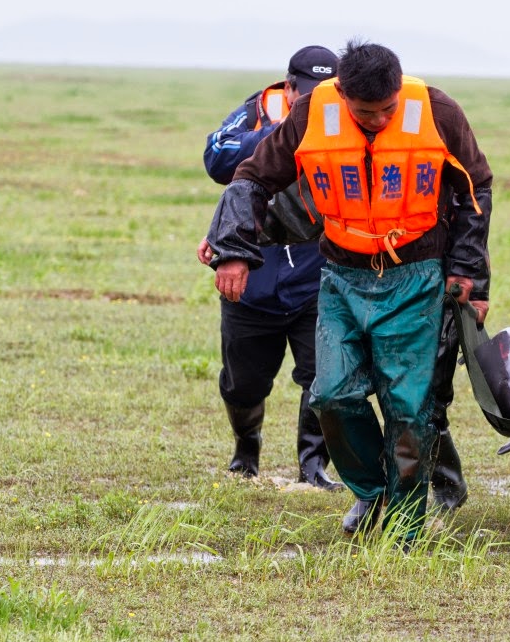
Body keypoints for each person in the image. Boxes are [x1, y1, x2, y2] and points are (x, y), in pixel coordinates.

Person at [204, 40, 493, 541]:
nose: (379, 119)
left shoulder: (438, 110)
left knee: (409, 408)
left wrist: (470, 272)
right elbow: (252, 178)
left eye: (388, 109)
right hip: (340, 275)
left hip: (415, 275)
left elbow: (476, 188)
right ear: (341, 93)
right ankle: (372, 492)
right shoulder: (312, 113)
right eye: (366, 112)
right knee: (330, 395)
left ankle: (405, 525)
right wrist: (232, 247)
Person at [198, 45, 343, 490]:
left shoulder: (346, 120)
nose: (316, 102)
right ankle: (246, 451)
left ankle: (312, 467)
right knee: (243, 383)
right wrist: (283, 136)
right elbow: (216, 160)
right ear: (290, 85)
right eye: (309, 94)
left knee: (322, 375)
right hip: (253, 271)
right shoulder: (258, 112)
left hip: (316, 273)